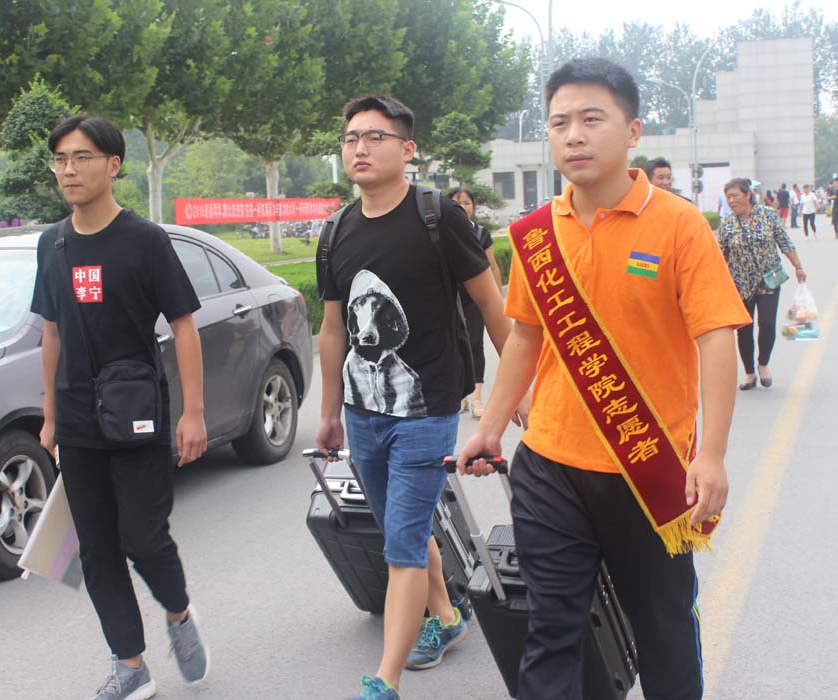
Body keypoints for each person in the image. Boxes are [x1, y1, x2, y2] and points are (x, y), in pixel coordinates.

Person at [455, 58, 751, 700]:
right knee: (550, 631)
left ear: (633, 130)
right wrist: (490, 427)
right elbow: (526, 337)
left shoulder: (679, 225)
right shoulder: (536, 234)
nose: (573, 135)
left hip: (648, 467)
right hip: (551, 466)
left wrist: (713, 453)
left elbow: (716, 337)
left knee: (665, 632)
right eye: (559, 122)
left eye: (592, 119)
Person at [315, 95, 522, 700]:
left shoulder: (438, 217)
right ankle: (449, 618)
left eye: (374, 137)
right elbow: (332, 329)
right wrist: (328, 412)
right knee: (401, 529)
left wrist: (518, 391)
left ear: (407, 149)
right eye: (351, 138)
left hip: (427, 410)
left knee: (402, 543)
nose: (359, 148)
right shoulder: (335, 231)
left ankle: (385, 681)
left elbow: (492, 305)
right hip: (362, 414)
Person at [31, 115, 210, 700]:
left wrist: (192, 413)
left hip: (137, 414)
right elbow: (51, 333)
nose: (68, 170)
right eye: (60, 159)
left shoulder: (144, 240)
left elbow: (184, 326)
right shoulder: (52, 243)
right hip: (78, 421)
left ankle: (178, 613)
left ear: (113, 165)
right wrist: (51, 417)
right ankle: (130, 665)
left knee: (144, 539)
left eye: (81, 157)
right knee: (98, 551)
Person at [718, 178, 808, 390]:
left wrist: (798, 267)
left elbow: (784, 242)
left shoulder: (768, 216)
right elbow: (721, 256)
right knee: (744, 330)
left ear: (748, 195)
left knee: (767, 324)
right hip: (740, 284)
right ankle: (749, 372)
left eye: (735, 196)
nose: (731, 201)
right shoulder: (727, 225)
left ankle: (763, 364)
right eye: (728, 197)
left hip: (769, 280)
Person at [448, 187, 505, 420]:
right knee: (454, 344)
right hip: (451, 297)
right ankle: (461, 396)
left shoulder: (481, 234)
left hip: (476, 298)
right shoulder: (443, 231)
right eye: (458, 202)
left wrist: (498, 298)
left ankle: (476, 398)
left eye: (467, 202)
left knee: (475, 343)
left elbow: (493, 267)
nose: (463, 207)